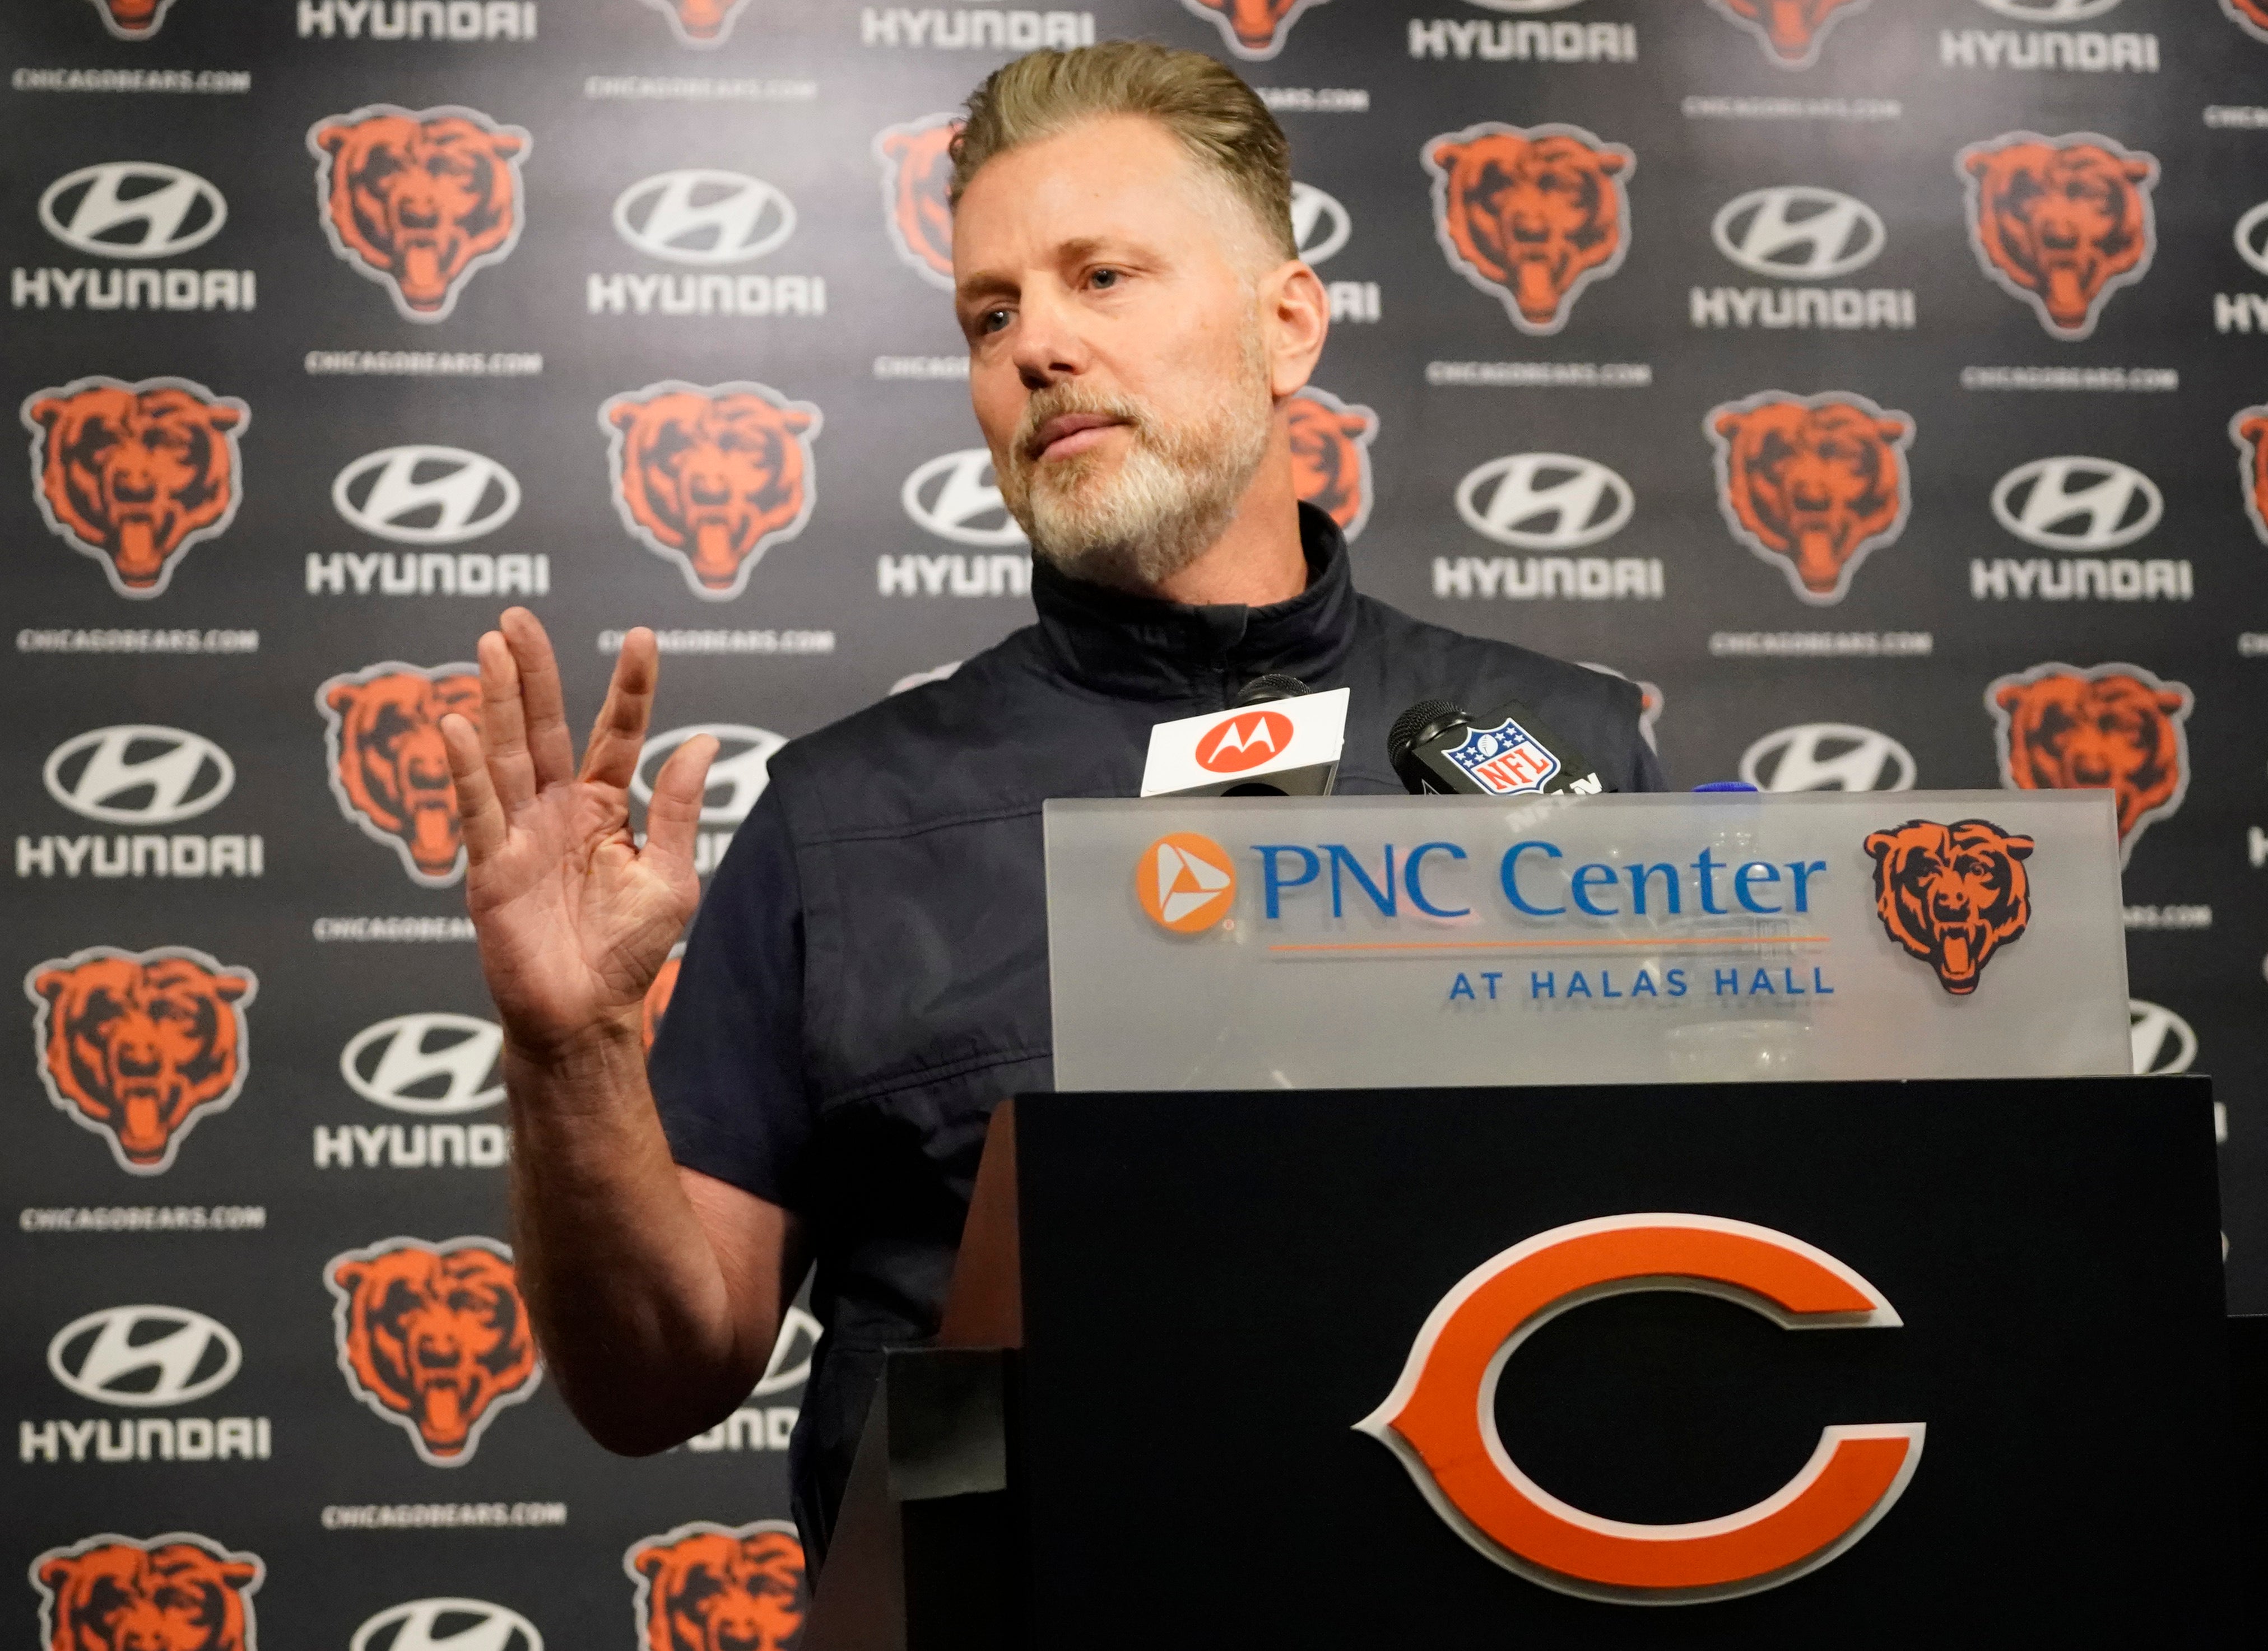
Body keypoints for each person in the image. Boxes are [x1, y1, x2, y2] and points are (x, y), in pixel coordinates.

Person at [440, 40, 1666, 1569]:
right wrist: (566, 1053)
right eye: (991, 312)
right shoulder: (839, 821)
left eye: (1103, 277)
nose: (1039, 347)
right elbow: (653, 1377)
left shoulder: (1562, 752)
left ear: (1289, 325)